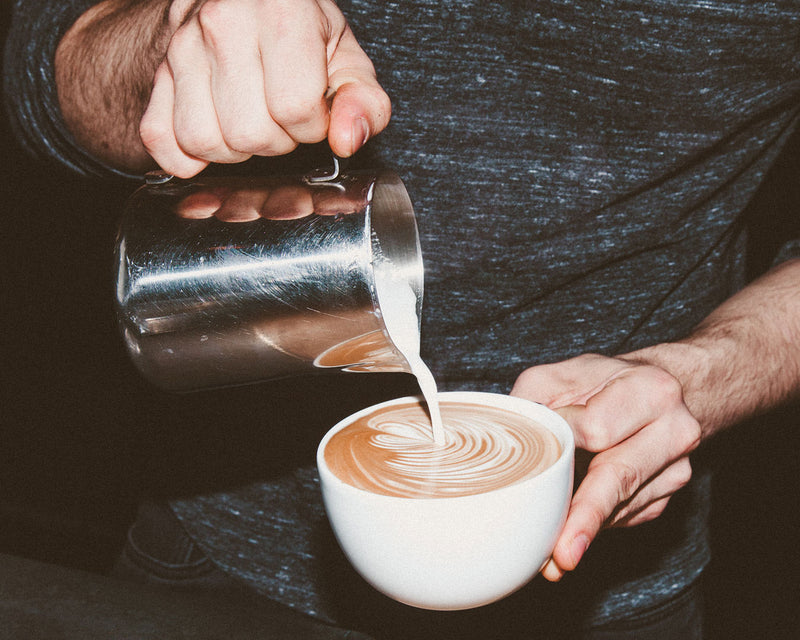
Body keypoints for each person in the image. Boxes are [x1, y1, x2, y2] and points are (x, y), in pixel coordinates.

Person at [5, 0, 800, 637]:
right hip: (224, 553)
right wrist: (164, 43)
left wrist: (704, 375)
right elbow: (41, 65)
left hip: (613, 577)